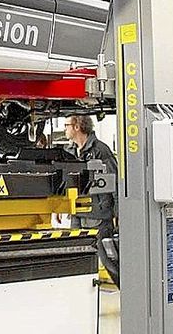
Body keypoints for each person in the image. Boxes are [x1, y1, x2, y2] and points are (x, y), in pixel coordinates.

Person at [64, 115, 119, 284]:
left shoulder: (101, 151)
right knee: (76, 258)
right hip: (77, 214)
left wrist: (118, 213)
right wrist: (63, 205)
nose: (64, 129)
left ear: (77, 127)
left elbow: (115, 181)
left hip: (99, 215)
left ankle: (127, 292)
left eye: (66, 125)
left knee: (110, 259)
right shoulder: (69, 152)